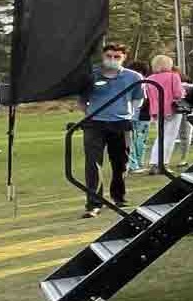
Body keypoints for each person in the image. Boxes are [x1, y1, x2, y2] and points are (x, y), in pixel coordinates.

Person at [77, 43, 143, 218]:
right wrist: (90, 114)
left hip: (121, 124)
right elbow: (82, 101)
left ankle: (118, 197)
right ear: (103, 56)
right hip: (94, 124)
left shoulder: (134, 77)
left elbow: (138, 100)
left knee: (121, 163)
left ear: (123, 58)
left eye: (117, 57)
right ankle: (94, 204)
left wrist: (128, 115)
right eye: (109, 56)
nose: (112, 59)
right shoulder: (91, 76)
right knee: (93, 163)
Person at [142, 54, 187, 171]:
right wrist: (184, 92)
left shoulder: (150, 78)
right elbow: (178, 94)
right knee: (169, 137)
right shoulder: (174, 76)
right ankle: (163, 163)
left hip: (157, 111)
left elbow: (150, 97)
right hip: (172, 109)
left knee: (160, 136)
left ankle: (154, 162)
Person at [124, 59, 152, 173]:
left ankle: (135, 164)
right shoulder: (146, 82)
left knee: (134, 140)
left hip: (135, 114)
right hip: (142, 115)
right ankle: (135, 164)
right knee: (139, 140)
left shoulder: (128, 82)